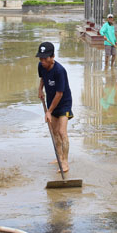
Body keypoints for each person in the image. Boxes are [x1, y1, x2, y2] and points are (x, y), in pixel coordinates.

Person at [36, 41, 73, 172]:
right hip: (51, 101)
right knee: (54, 132)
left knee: (62, 132)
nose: (42, 61)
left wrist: (49, 112)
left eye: (45, 58)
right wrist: (40, 89)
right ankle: (59, 156)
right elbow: (42, 79)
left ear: (52, 57)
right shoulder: (41, 66)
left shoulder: (60, 71)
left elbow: (59, 93)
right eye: (41, 58)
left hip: (63, 103)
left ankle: (65, 162)